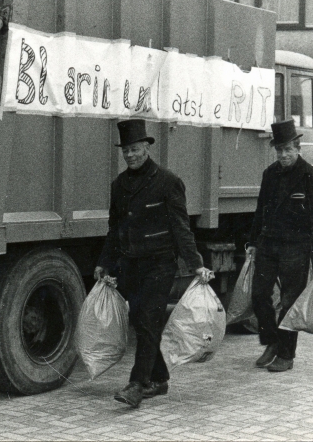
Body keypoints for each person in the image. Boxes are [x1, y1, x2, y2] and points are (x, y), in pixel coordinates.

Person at [94, 119, 213, 408]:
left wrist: (196, 264)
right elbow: (115, 228)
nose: (130, 155)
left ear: (146, 147)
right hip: (130, 265)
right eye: (126, 151)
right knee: (141, 321)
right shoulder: (119, 185)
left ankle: (137, 384)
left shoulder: (167, 181)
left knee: (148, 319)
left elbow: (181, 227)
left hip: (160, 265)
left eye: (135, 149)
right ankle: (159, 379)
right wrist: (104, 263)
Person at [247, 119, 313, 372]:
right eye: (280, 150)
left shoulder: (310, 176)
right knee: (259, 295)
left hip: (296, 247)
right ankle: (271, 341)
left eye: (288, 150)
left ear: (298, 148)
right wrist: (252, 242)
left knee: (289, 300)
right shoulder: (269, 174)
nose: (283, 155)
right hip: (269, 245)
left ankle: (286, 354)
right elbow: (260, 210)